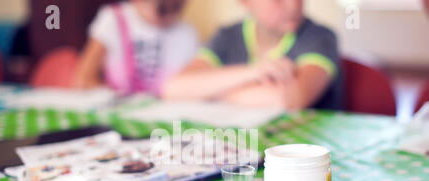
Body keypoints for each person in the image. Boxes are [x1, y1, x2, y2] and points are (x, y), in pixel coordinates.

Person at [163, 0, 342, 111]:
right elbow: (174, 88)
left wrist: (208, 92)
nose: (294, 5)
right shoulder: (227, 36)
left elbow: (286, 100)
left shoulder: (319, 37)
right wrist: (255, 72)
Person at [74, 0, 199, 96]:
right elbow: (83, 79)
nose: (170, 16)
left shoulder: (187, 33)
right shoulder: (112, 19)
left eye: (177, 7)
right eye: (163, 9)